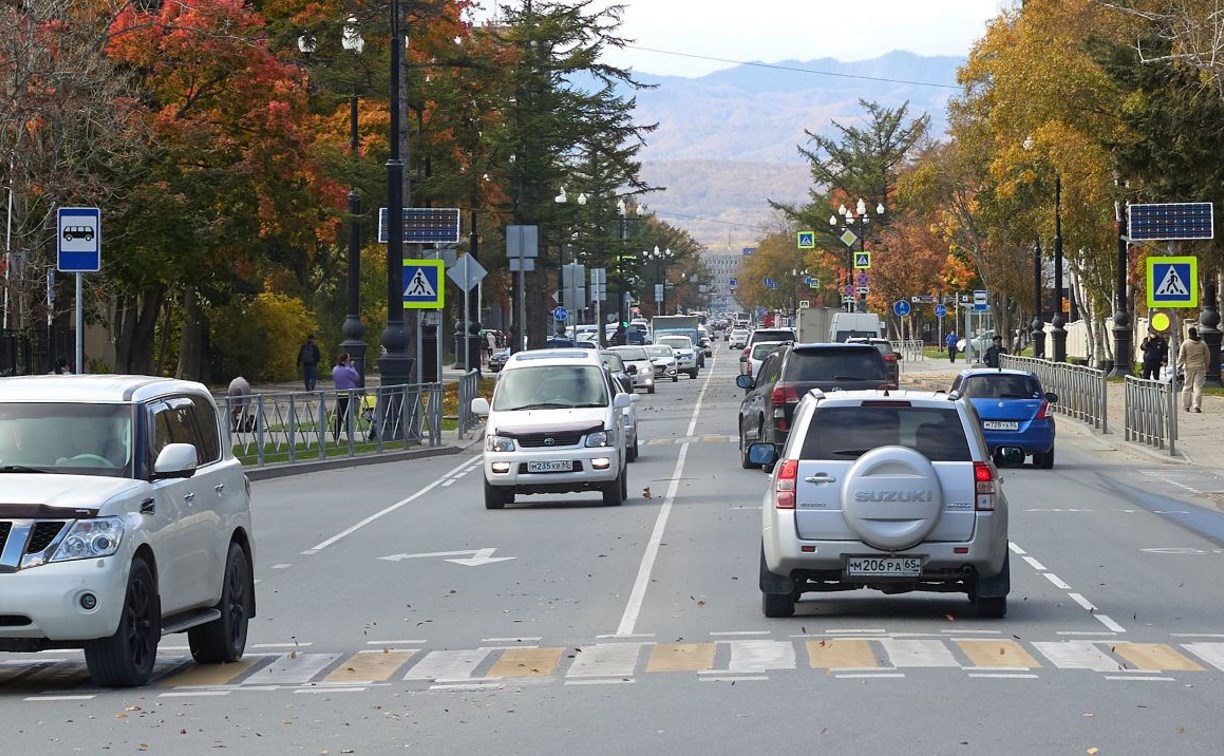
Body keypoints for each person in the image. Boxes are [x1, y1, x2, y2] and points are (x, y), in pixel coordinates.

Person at [1178, 326, 1210, 413]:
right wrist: (1207, 367)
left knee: (1187, 386)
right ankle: (1197, 406)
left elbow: (1181, 357)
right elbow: (1207, 357)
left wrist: (1178, 368)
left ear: (1189, 334)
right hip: (1200, 368)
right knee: (1198, 387)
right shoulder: (1203, 344)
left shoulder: (1185, 343)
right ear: (1196, 333)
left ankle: (1186, 406)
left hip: (1189, 368)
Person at [332, 352, 360, 441]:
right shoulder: (348, 370)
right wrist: (352, 367)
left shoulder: (335, 369)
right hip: (349, 394)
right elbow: (356, 377)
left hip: (339, 394)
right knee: (349, 417)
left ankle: (336, 436)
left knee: (339, 416)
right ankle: (350, 436)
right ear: (346, 359)